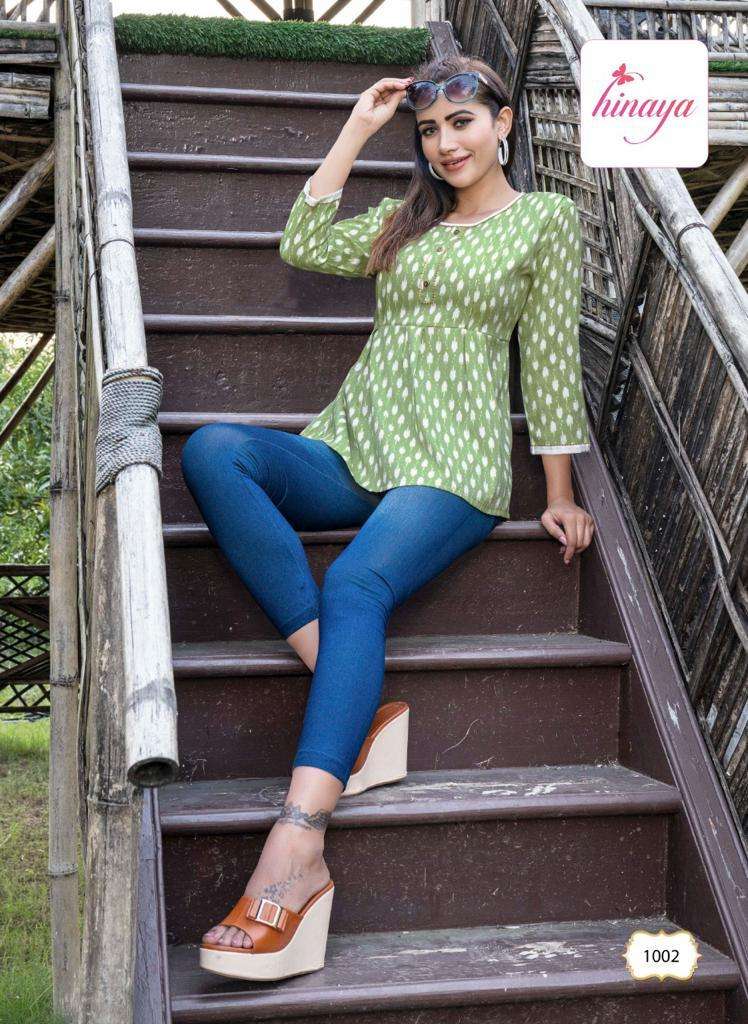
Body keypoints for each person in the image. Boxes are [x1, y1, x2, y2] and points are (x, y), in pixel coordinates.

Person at [181, 53, 596, 982]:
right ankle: (352, 694)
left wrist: (559, 493)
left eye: (462, 123)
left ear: (504, 124)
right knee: (213, 451)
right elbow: (301, 241)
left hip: (450, 468)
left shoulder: (544, 220)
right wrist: (358, 128)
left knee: (355, 583)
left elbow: (551, 360)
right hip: (355, 448)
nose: (446, 144)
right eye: (430, 131)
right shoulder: (401, 223)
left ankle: (297, 848)